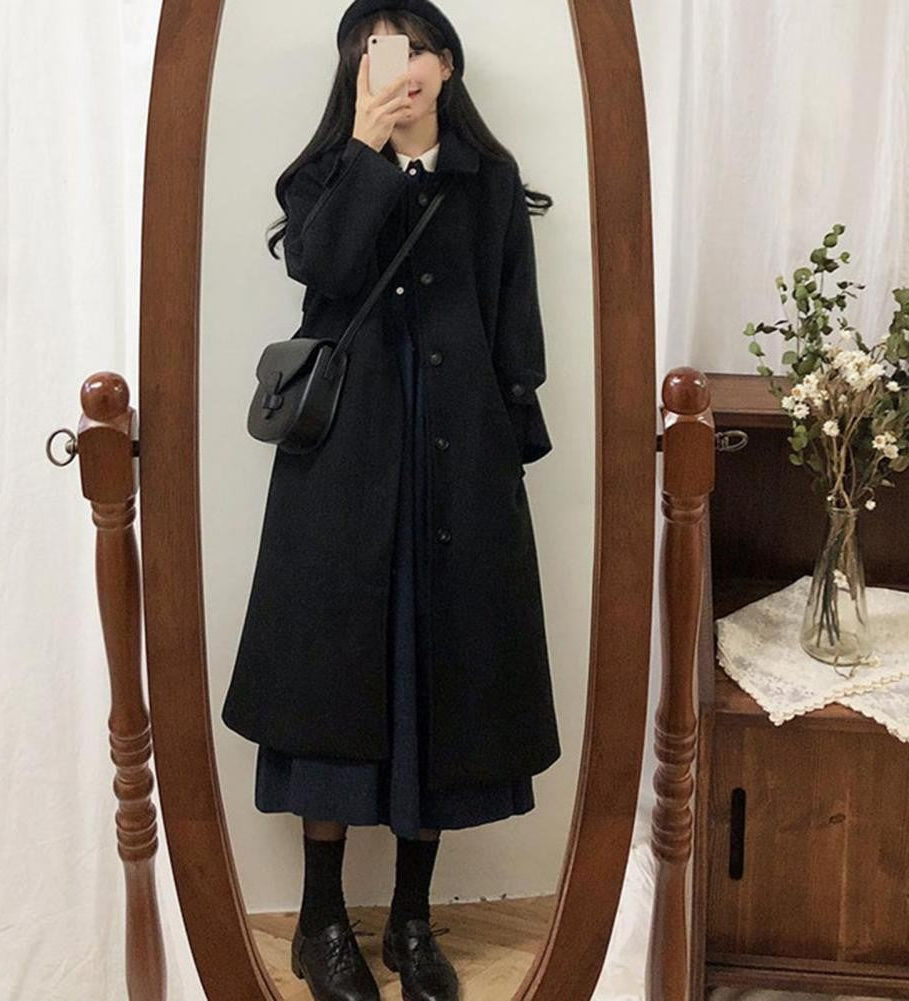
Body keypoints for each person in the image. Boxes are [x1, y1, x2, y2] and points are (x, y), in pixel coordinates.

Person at [222, 2, 560, 999]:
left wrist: (508, 455)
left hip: (461, 467)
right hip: (341, 468)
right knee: (327, 688)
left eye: (412, 47)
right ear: (355, 71)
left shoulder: (488, 181)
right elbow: (323, 269)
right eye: (373, 51)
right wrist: (366, 150)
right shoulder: (322, 175)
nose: (395, 66)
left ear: (445, 65)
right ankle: (320, 922)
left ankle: (413, 921)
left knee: (445, 684)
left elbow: (513, 324)